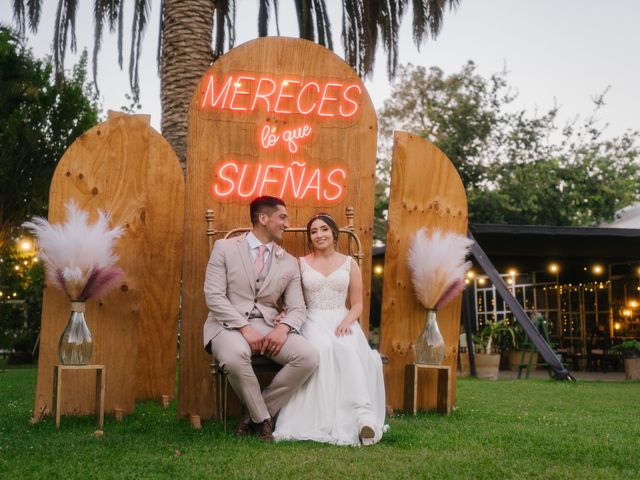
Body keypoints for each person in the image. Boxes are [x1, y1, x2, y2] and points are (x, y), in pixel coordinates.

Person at [203, 196, 319, 442]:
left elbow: (298, 307)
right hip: (227, 325)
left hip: (268, 326)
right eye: (283, 217)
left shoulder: (289, 262)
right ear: (263, 218)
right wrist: (244, 327)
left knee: (308, 357)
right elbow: (213, 296)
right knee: (234, 357)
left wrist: (284, 328)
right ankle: (264, 422)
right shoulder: (224, 248)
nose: (287, 223)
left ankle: (254, 413)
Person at [273, 213, 386, 446]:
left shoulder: (349, 263)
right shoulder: (301, 264)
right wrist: (287, 313)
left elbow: (357, 304)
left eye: (324, 229)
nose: (319, 235)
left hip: (341, 318)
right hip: (311, 319)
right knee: (323, 348)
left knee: (348, 348)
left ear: (334, 233)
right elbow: (294, 300)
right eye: (313, 231)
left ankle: (362, 418)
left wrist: (348, 321)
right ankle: (319, 419)